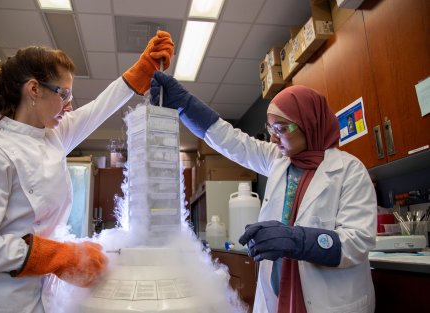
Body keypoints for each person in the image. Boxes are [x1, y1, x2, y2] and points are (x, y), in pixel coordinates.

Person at [0, 31, 174, 313]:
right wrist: (59, 256)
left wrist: (141, 71)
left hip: (43, 298)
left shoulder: (50, 136)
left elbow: (95, 111)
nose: (69, 105)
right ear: (33, 89)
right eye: (63, 94)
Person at [149, 72, 376, 313]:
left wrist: (296, 240)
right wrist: (185, 105)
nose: (273, 138)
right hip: (278, 298)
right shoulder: (278, 159)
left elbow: (358, 242)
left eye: (282, 129)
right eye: (270, 128)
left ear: (309, 125)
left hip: (330, 302)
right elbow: (232, 141)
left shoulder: (350, 170)